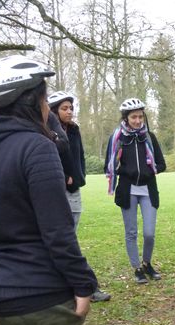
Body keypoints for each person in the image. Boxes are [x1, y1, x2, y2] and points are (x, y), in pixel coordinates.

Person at [0, 55, 97, 325]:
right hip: (36, 299)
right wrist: (84, 285)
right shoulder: (37, 148)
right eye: (46, 98)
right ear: (34, 100)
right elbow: (57, 230)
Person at [49, 91, 111, 302]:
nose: (69, 112)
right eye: (64, 108)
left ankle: (76, 286)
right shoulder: (46, 132)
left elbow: (79, 156)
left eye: (71, 108)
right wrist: (62, 176)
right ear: (54, 111)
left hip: (74, 189)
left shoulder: (74, 131)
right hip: (56, 190)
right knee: (67, 241)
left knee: (71, 238)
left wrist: (79, 176)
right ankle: (83, 287)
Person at [105, 98, 166, 284]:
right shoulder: (118, 138)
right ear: (126, 118)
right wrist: (128, 171)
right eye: (133, 117)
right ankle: (137, 268)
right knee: (131, 232)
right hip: (127, 189)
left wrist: (149, 169)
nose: (138, 121)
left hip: (148, 189)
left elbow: (161, 164)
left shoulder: (149, 137)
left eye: (140, 117)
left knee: (149, 232)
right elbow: (110, 166)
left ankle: (147, 263)